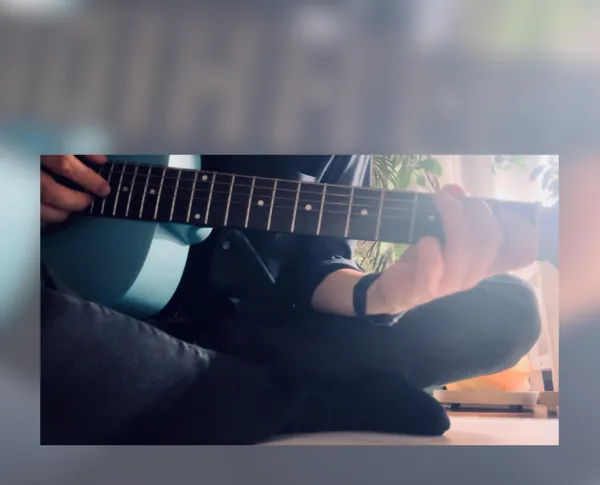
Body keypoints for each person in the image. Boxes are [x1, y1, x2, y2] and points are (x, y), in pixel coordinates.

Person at [40, 154, 542, 444]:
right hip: (65, 281)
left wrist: (380, 294)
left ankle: (234, 388)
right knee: (50, 333)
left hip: (248, 328)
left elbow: (315, 264)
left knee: (511, 311)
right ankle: (302, 400)